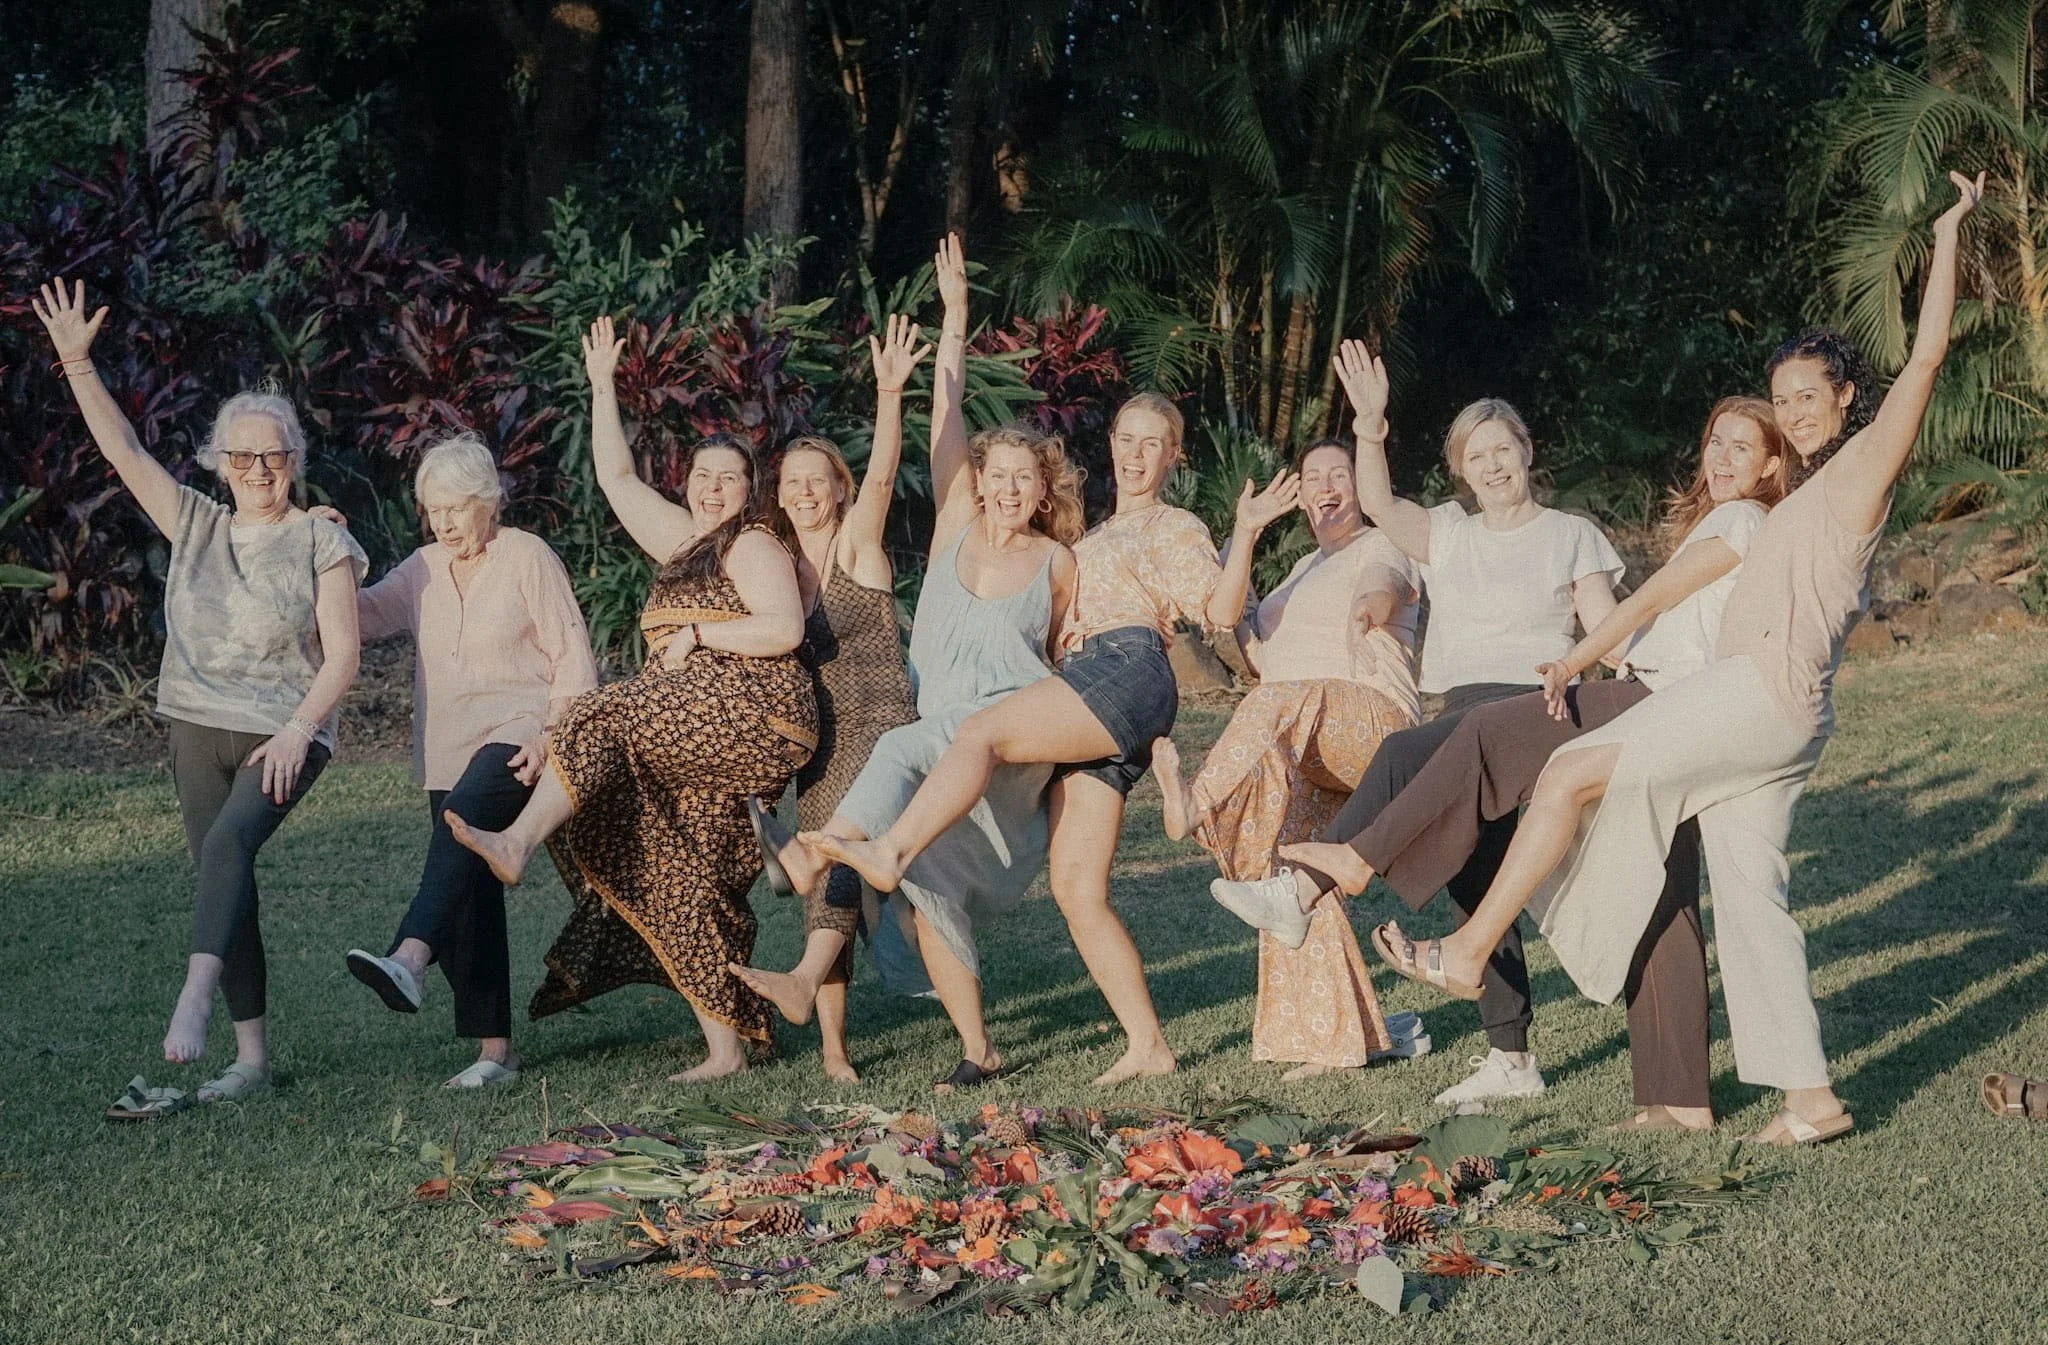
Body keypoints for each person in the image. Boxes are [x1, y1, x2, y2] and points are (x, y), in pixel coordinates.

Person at [1372, 170, 1986, 1148]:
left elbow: (1924, 356)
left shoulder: (1863, 469)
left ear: (1844, 398)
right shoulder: (1776, 506)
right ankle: (1808, 1100)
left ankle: (1464, 949)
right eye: (1781, 397)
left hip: (1760, 696)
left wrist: (1949, 229)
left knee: (1571, 769)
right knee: (1749, 895)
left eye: (1808, 394)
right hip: (1787, 718)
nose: (1794, 409)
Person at [1274, 398, 1791, 1128]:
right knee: (1662, 883)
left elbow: (1643, 605)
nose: (1723, 455)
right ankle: (1676, 1098)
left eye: (1744, 445)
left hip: (1619, 695)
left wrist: (1577, 657)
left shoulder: (1730, 521)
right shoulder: (1724, 523)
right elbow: (1685, 622)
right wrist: (1369, 427)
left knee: (1482, 734)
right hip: (1669, 701)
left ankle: (1357, 873)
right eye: (1716, 441)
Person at [788, 384, 1298, 1085]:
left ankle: (888, 850)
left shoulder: (1175, 526)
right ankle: (1149, 1043)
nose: (1137, 452)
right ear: (1111, 443)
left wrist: (1244, 532)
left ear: (1174, 454)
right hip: (1088, 695)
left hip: (1126, 669)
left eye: (1155, 442)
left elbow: (1216, 608)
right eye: (1127, 437)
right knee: (1076, 887)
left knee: (980, 732)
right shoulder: (1081, 543)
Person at [1211, 347, 1623, 1106]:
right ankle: (1513, 1059)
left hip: (1534, 703)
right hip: (1458, 708)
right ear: (1462, 470)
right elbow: (1380, 502)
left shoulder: (1571, 532)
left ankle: (1304, 886)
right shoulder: (1446, 532)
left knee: (1401, 750)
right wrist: (1370, 426)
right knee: (1479, 877)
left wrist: (1637, 676)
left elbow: (1607, 629)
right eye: (1477, 455)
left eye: (1504, 449)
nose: (1494, 465)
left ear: (1528, 452)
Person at [735, 235, 1083, 1090]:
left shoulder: (1058, 564)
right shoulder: (955, 527)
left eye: (1022, 479)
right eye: (994, 474)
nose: (1006, 488)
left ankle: (814, 857)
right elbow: (946, 421)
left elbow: (1070, 665)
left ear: (1044, 488)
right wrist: (954, 320)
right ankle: (979, 1050)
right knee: (924, 879)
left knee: (896, 751)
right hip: (940, 744)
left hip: (1005, 747)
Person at [445, 317, 817, 1083]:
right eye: (703, 476)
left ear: (750, 492)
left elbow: (782, 628)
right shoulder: (684, 542)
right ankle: (727, 1050)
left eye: (729, 479)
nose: (713, 489)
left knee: (589, 715)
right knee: (679, 872)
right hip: (693, 731)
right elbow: (616, 479)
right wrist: (601, 387)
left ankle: (513, 842)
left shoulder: (750, 542)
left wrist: (701, 638)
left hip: (759, 717)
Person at [32, 278, 364, 1110]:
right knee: (229, 873)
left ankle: (193, 994)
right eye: (242, 456)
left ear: (294, 460)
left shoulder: (320, 536)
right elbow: (124, 452)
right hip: (194, 719)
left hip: (284, 730)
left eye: (275, 456)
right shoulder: (195, 521)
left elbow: (345, 655)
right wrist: (76, 363)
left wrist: (297, 731)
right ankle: (251, 1059)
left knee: (225, 850)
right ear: (219, 462)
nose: (258, 470)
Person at [1150, 436, 1423, 1079]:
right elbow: (1238, 631)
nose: (1326, 484)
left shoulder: (1384, 543)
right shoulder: (1299, 573)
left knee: (1278, 699)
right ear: (1299, 496)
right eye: (1313, 476)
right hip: (1307, 741)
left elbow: (1388, 587)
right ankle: (1330, 1043)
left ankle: (1196, 802)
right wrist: (1245, 531)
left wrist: (1366, 611)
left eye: (1339, 473)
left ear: (1360, 486)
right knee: (1289, 871)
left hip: (1374, 724)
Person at [336, 433, 598, 1089]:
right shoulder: (422, 567)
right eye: (434, 509)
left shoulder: (525, 556)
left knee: (459, 833)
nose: (445, 522)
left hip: (519, 732)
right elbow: (360, 618)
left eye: (457, 507)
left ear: (488, 501)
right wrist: (331, 551)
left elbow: (573, 654)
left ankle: (409, 955)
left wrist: (551, 731)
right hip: (446, 751)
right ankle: (496, 1052)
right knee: (469, 889)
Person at [754, 312, 929, 1084]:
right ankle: (832, 1049)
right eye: (791, 484)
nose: (803, 494)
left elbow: (886, 473)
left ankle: (801, 979)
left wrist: (889, 393)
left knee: (835, 853)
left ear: (838, 489)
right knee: (828, 876)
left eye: (816, 482)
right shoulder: (775, 566)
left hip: (883, 725)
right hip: (819, 741)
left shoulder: (858, 543)